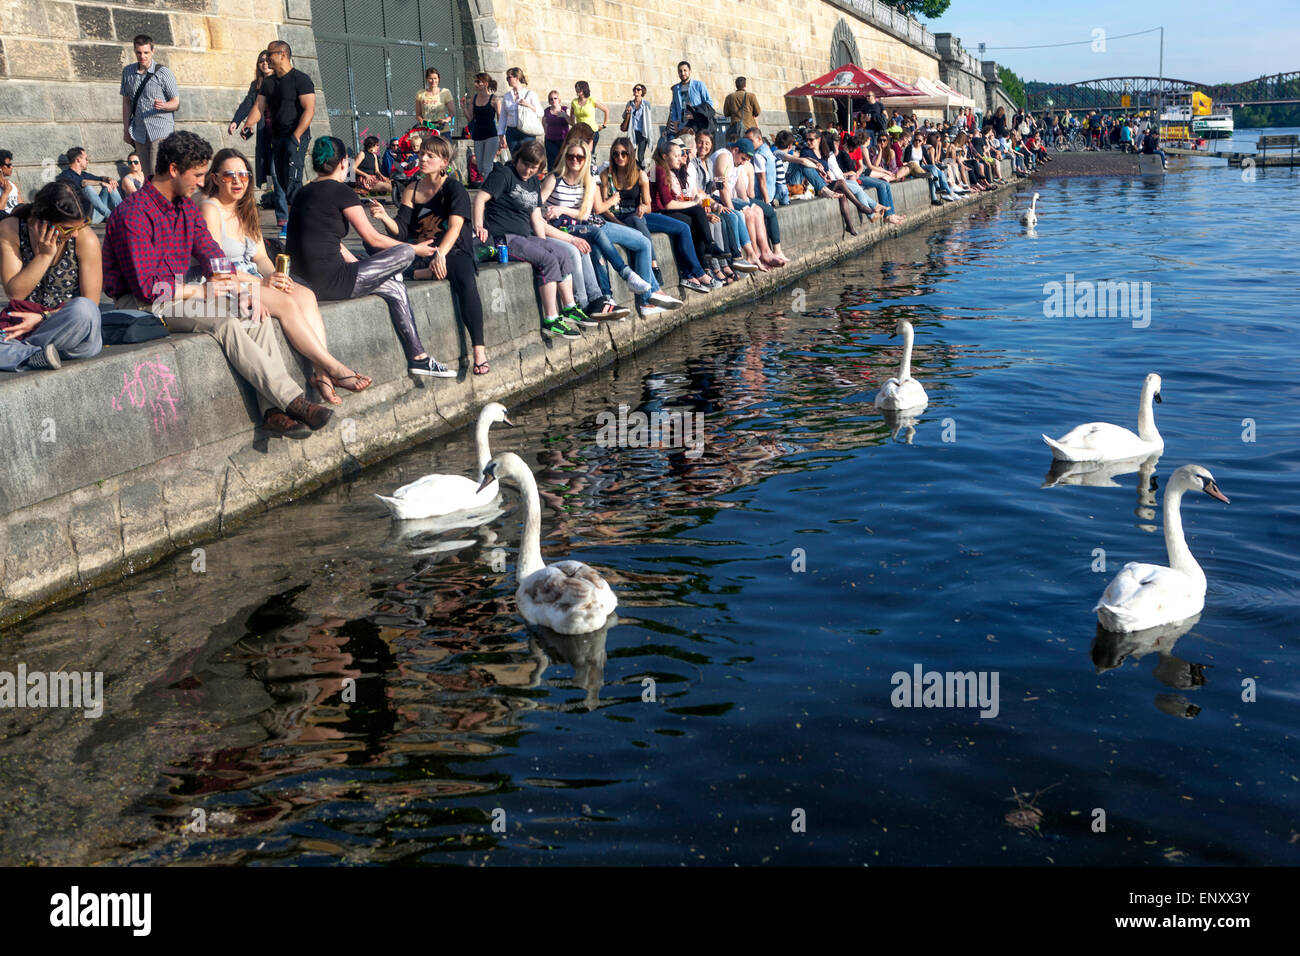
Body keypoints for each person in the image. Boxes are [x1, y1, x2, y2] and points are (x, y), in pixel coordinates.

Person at [102, 130, 333, 437]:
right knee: (223, 323)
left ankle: (272, 411)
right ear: (173, 170)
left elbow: (212, 253)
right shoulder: (134, 214)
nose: (201, 183)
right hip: (144, 301)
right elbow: (148, 287)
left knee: (256, 313)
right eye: (197, 175)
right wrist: (201, 290)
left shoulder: (184, 208)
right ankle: (294, 401)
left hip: (184, 292)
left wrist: (243, 290)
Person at [200, 147, 371, 404]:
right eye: (229, 175)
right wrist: (261, 282)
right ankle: (334, 367)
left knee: (306, 295)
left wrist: (276, 277)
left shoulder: (245, 209)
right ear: (215, 178)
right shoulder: (210, 209)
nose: (238, 181)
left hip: (254, 277)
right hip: (228, 282)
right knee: (288, 304)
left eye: (244, 175)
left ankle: (321, 374)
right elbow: (216, 265)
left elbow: (259, 258)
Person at [288, 136, 453, 378]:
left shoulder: (302, 193)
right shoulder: (342, 192)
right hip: (334, 282)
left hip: (305, 282)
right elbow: (373, 239)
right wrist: (414, 250)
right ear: (344, 163)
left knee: (396, 289)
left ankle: (419, 358)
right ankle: (405, 270)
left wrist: (359, 265)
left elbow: (326, 242)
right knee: (404, 250)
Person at [369, 136, 492, 374]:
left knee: (466, 280)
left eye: (430, 156)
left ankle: (479, 352)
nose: (422, 159)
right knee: (375, 251)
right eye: (422, 154)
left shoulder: (454, 188)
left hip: (452, 250)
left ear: (443, 161)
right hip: (421, 250)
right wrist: (384, 217)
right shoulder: (412, 189)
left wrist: (441, 254)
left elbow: (456, 227)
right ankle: (423, 273)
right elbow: (402, 230)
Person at [545, 136, 681, 319]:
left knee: (643, 242)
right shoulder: (556, 179)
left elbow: (586, 213)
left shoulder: (590, 179)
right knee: (595, 247)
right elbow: (536, 206)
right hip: (576, 228)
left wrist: (562, 209)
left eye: (580, 157)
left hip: (592, 223)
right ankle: (616, 295)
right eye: (571, 157)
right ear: (565, 158)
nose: (575, 160)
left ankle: (647, 298)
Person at [471, 140, 592, 338]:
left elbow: (536, 215)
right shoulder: (503, 174)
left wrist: (544, 242)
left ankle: (569, 307)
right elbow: (480, 198)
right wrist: (478, 225)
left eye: (533, 167)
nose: (527, 171)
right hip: (503, 237)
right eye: (525, 165)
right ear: (517, 159)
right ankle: (551, 318)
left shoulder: (534, 181)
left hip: (525, 235)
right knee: (547, 260)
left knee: (561, 254)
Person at [0, 181, 103, 372]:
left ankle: (26, 354)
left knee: (85, 309)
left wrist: (43, 318)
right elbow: (15, 293)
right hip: (23, 325)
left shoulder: (85, 239)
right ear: (42, 220)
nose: (74, 235)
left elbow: (91, 303)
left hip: (71, 332)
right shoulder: (11, 229)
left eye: (81, 226)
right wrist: (44, 256)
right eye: (67, 229)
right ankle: (37, 355)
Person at [240, 40, 315, 241]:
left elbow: (309, 110)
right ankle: (293, 223)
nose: (266, 58)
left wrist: (296, 136)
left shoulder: (301, 79)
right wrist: (248, 125)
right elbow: (259, 106)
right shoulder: (269, 83)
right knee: (281, 181)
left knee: (293, 179)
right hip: (277, 137)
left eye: (270, 54)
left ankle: (300, 224)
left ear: (282, 54)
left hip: (296, 136)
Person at [650, 140, 724, 294]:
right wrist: (696, 203)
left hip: (665, 208)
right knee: (691, 217)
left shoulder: (669, 170)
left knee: (693, 219)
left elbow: (685, 196)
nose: (681, 158)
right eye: (677, 155)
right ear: (665, 156)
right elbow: (668, 203)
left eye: (683, 154)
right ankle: (698, 269)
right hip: (657, 212)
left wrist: (703, 203)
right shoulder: (659, 170)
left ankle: (699, 267)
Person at [120, 34, 179, 182]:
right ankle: (154, 204)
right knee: (147, 176)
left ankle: (165, 203)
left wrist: (164, 105)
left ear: (152, 51)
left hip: (160, 130)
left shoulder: (163, 73)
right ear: (134, 51)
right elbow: (126, 102)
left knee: (157, 172)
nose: (142, 56)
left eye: (146, 52)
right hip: (139, 131)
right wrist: (126, 129)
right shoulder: (128, 72)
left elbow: (176, 103)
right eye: (139, 52)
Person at [228, 51, 274, 190]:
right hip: (264, 128)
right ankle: (274, 197)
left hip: (279, 128)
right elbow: (248, 103)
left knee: (278, 166)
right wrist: (236, 121)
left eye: (267, 60)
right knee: (269, 164)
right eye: (261, 61)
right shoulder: (256, 85)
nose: (264, 63)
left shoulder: (280, 80)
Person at [56, 147, 122, 223]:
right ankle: (112, 217)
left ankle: (125, 213)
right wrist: (101, 183)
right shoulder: (65, 176)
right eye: (86, 159)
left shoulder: (83, 174)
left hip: (97, 213)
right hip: (87, 217)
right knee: (88, 188)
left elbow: (100, 178)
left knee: (110, 185)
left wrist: (109, 179)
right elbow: (83, 182)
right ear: (78, 160)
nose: (87, 161)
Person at [464, 73, 502, 184]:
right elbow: (470, 118)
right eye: (475, 82)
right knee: (480, 167)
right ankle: (497, 179)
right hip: (478, 135)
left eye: (478, 82)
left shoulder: (495, 99)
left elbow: (500, 120)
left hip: (491, 135)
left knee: (487, 166)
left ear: (485, 84)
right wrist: (464, 108)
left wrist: (501, 137)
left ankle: (487, 191)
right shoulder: (474, 99)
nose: (475, 84)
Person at [499, 67, 543, 158]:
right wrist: (501, 135)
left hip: (526, 132)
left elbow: (540, 112)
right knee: (515, 160)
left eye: (509, 78)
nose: (507, 80)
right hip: (511, 132)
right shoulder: (507, 96)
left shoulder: (530, 94)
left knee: (528, 159)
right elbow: (503, 117)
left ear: (517, 78)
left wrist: (528, 105)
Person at [668, 61, 716, 136]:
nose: (683, 73)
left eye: (685, 70)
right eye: (680, 71)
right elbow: (674, 106)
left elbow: (709, 103)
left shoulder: (699, 85)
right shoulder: (676, 89)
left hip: (698, 125)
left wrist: (695, 114)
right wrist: (675, 121)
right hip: (682, 126)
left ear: (690, 71)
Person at [620, 85, 654, 168]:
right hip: (632, 132)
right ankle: (633, 171)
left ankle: (643, 171)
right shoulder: (630, 103)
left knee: (640, 155)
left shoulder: (646, 104)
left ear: (642, 92)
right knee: (631, 154)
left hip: (642, 132)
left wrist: (649, 134)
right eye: (635, 89)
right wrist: (628, 112)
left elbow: (648, 120)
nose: (636, 90)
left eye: (638, 89)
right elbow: (624, 116)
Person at [569, 81, 610, 150]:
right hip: (580, 133)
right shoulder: (574, 102)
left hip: (592, 132)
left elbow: (606, 110)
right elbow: (572, 116)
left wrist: (603, 125)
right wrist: (574, 127)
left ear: (584, 88)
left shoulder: (591, 100)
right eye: (576, 88)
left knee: (590, 154)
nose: (577, 89)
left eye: (578, 88)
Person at [415, 67, 455, 135]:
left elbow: (452, 113)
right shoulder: (420, 94)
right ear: (427, 79)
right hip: (427, 131)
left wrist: (445, 120)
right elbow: (418, 114)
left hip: (442, 130)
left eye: (435, 78)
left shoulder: (445, 92)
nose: (433, 81)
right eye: (430, 78)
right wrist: (422, 121)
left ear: (439, 79)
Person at [722, 78, 760, 142]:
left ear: (736, 85)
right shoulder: (751, 96)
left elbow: (726, 114)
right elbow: (757, 112)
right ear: (745, 85)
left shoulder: (729, 97)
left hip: (734, 129)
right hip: (749, 129)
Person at [542, 91, 570, 171]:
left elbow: (571, 122)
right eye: (551, 99)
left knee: (564, 160)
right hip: (550, 140)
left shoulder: (564, 109)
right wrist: (546, 132)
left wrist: (565, 116)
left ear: (559, 99)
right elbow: (544, 122)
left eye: (555, 98)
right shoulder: (547, 111)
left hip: (563, 140)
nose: (553, 100)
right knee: (551, 162)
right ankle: (551, 179)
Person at [0, 150, 22, 217]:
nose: (12, 167)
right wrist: (6, 192)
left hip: (16, 221)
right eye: (9, 165)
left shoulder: (13, 185)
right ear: (0, 167)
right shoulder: (9, 188)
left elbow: (21, 205)